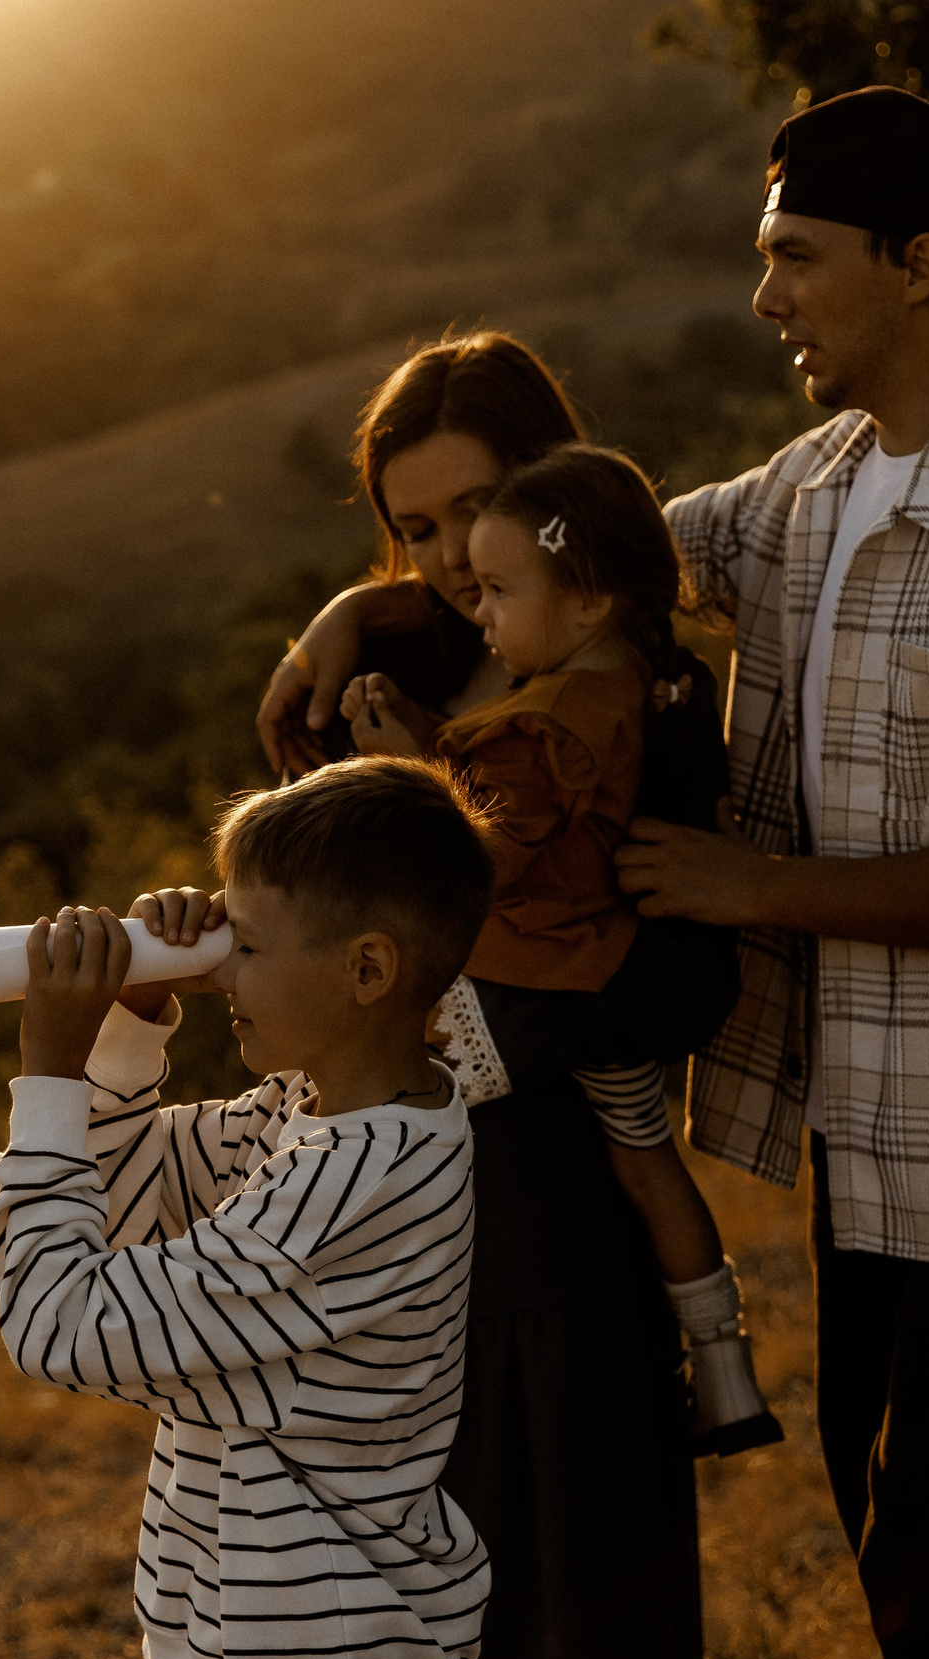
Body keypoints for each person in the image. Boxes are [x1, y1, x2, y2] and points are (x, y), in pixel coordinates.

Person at [264, 88, 929, 1659]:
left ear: (918, 264)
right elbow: (560, 572)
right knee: (892, 1530)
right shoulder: (813, 490)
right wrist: (368, 598)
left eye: (794, 258)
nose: (763, 297)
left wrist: (743, 880)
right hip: (873, 1130)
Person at [258, 331, 720, 1659]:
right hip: (383, 1277)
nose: (455, 553)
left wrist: (474, 1039)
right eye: (415, 528)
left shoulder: (646, 697)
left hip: (565, 1264)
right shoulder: (370, 703)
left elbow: (683, 978)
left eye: (480, 507)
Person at [0, 757, 498, 1659]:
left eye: (246, 945)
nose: (219, 971)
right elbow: (134, 1203)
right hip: (265, 1646)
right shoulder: (321, 1115)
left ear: (368, 969)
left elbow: (57, 1321)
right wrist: (134, 1016)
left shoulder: (349, 1186)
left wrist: (49, 1067)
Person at [339, 441, 781, 1455]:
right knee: (646, 1164)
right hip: (602, 971)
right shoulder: (628, 686)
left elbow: (486, 854)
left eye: (498, 589)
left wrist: (403, 769)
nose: (477, 610)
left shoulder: (554, 722)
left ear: (585, 602)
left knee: (395, 1084)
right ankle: (722, 1370)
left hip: (544, 972)